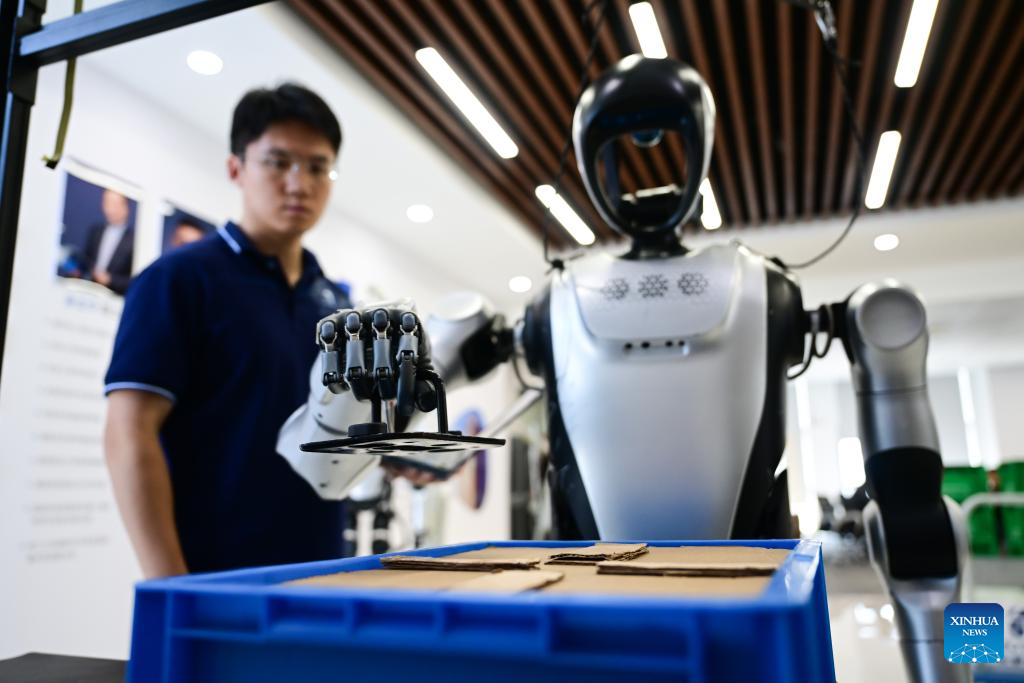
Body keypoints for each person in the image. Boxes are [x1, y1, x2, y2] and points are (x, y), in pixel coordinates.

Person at [103, 83, 355, 577]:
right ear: (236, 169)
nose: (300, 184)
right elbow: (128, 432)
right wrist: (172, 589)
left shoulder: (334, 302)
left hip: (324, 575)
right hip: (215, 578)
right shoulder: (179, 280)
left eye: (318, 167)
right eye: (278, 162)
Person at [81, 189, 135, 294]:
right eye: (107, 203)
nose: (110, 209)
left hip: (113, 296)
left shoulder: (133, 241)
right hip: (88, 290)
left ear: (126, 207)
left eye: (115, 204)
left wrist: (109, 279)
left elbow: (133, 281)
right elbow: (86, 261)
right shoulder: (96, 231)